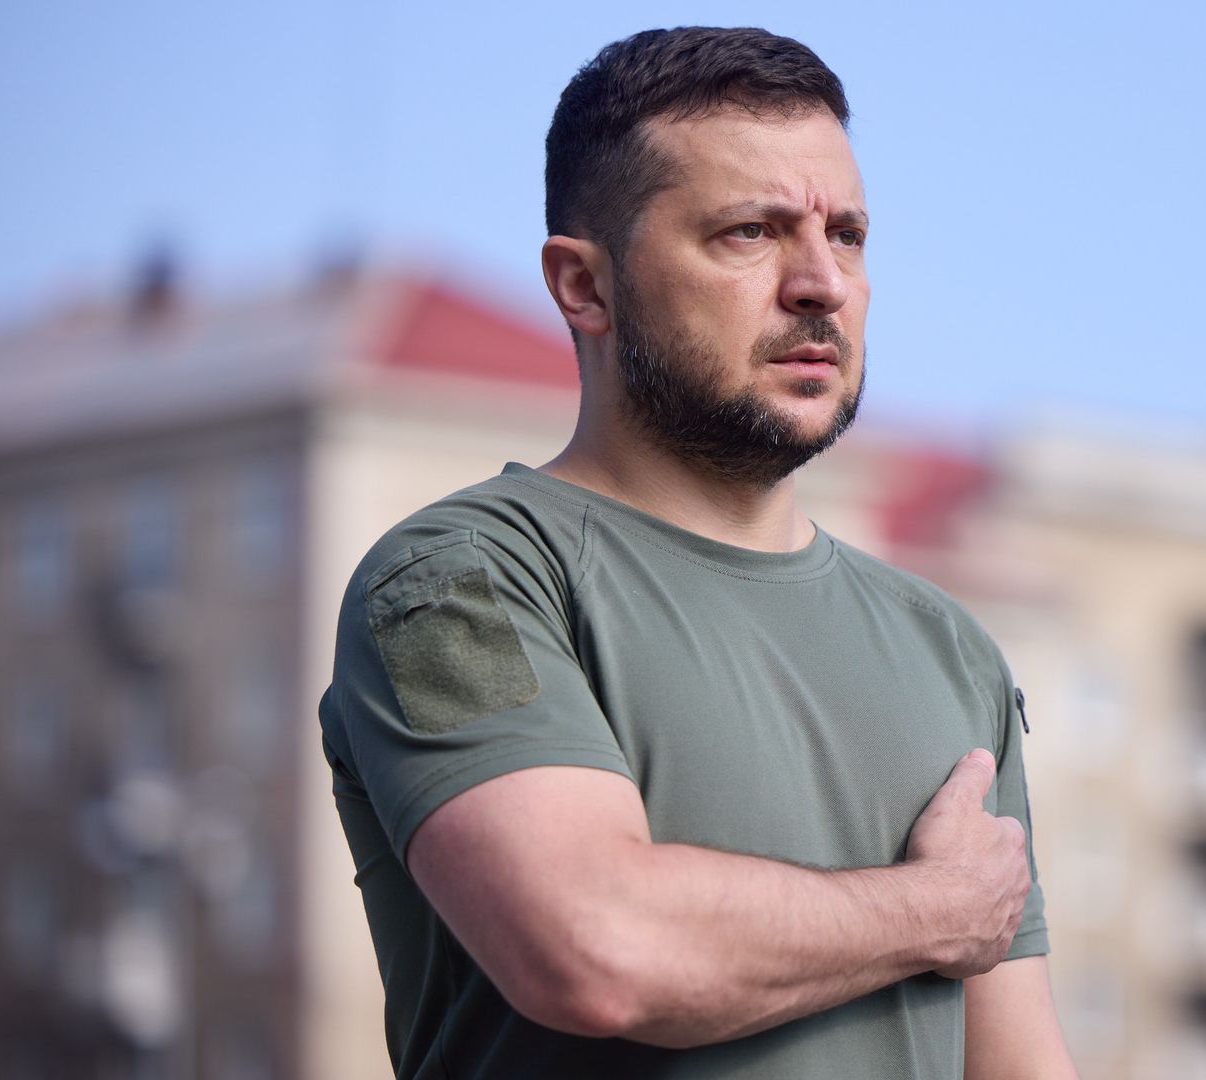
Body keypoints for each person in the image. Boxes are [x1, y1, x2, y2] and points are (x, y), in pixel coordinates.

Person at [318, 26, 1077, 1079]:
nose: (822, 283)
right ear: (584, 287)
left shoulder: (949, 648)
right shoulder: (453, 587)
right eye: (750, 232)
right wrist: (935, 909)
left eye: (847, 235)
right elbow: (595, 948)